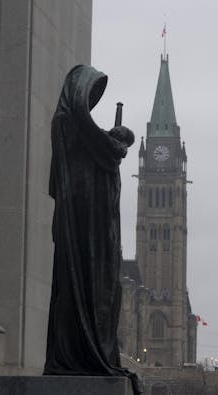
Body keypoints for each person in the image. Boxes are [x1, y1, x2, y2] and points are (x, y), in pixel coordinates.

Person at [44, 64, 141, 394]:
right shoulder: (69, 124)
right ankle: (82, 353)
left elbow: (105, 150)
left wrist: (113, 147)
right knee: (80, 291)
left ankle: (97, 349)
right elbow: (103, 147)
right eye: (91, 93)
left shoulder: (82, 132)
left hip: (99, 230)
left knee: (105, 291)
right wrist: (114, 146)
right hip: (80, 229)